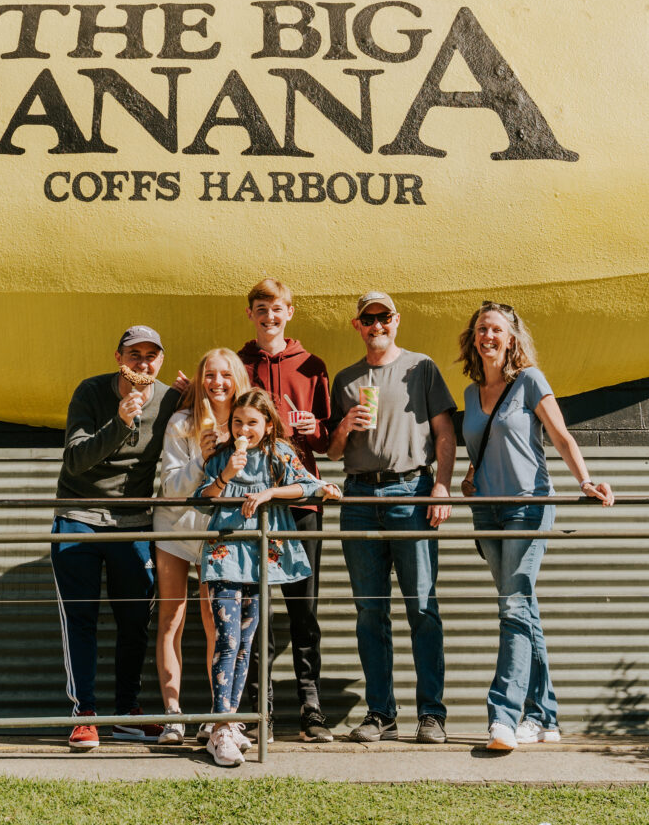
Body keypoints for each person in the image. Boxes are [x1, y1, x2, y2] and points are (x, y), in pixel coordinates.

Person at [457, 301, 614, 751]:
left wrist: (584, 479)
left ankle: (504, 717)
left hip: (528, 507)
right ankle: (545, 716)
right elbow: (481, 446)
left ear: (511, 338)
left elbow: (561, 434)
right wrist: (470, 476)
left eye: (497, 330)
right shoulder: (469, 394)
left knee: (512, 606)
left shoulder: (529, 380)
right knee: (522, 608)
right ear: (473, 338)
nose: (488, 336)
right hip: (486, 510)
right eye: (481, 329)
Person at [327, 290, 456, 744]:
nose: (376, 325)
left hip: (411, 491)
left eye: (384, 317)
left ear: (396, 320)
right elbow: (332, 450)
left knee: (422, 606)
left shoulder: (422, 368)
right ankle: (380, 712)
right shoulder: (345, 379)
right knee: (369, 611)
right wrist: (345, 426)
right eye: (368, 319)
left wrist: (441, 485)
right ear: (357, 325)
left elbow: (445, 432)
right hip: (360, 495)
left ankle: (432, 714)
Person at [195, 388, 341, 766]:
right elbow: (201, 498)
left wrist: (269, 494)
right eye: (238, 422)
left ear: (268, 424)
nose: (245, 429)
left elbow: (307, 484)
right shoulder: (222, 456)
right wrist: (227, 475)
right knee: (227, 639)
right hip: (226, 553)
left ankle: (231, 723)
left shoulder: (279, 454)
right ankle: (220, 724)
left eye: (253, 423)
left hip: (260, 559)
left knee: (246, 642)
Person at [52, 325, 181, 751]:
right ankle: (84, 714)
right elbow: (74, 460)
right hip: (79, 516)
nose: (143, 364)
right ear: (118, 358)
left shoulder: (169, 399)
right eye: (134, 355)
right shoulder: (90, 393)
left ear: (160, 361)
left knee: (134, 621)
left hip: (134, 522)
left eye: (151, 356)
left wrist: (199, 392)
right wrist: (121, 420)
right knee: (81, 618)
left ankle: (127, 713)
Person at [234, 278, 336, 742]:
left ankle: (310, 703)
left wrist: (313, 429)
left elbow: (329, 443)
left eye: (277, 309)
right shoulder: (238, 364)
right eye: (260, 308)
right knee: (256, 605)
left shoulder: (312, 365)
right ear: (251, 314)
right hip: (253, 501)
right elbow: (222, 417)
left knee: (303, 606)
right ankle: (262, 706)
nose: (269, 317)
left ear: (290, 313)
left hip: (301, 499)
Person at [153, 347, 249, 744]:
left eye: (225, 375)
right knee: (172, 619)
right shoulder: (181, 422)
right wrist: (201, 460)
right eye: (209, 375)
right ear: (199, 379)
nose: (217, 382)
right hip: (176, 529)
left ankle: (217, 714)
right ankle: (173, 715)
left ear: (237, 379)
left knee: (217, 622)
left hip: (218, 534)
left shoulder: (247, 424)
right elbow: (170, 488)